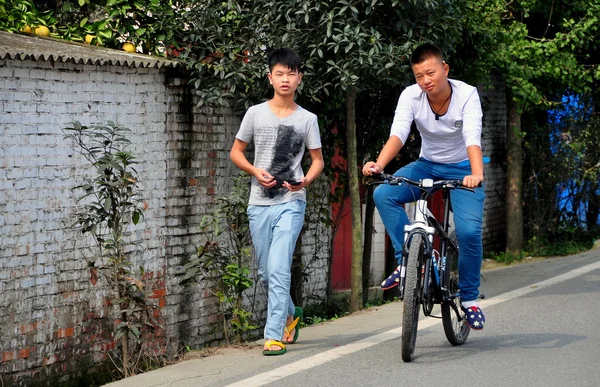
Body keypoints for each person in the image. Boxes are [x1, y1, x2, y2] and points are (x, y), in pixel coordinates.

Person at [362, 43, 487, 330]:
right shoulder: (411, 96)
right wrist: (379, 165)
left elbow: (472, 136)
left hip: (465, 167)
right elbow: (399, 133)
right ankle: (407, 261)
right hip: (427, 164)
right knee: (384, 193)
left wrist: (476, 173)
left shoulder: (467, 94)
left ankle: (469, 299)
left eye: (430, 73)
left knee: (469, 231)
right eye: (419, 76)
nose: (426, 81)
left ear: (445, 69)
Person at [230, 48, 324, 355]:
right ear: (270, 78)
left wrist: (305, 181)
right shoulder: (255, 113)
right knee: (266, 271)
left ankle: (272, 336)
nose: (285, 79)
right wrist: (256, 171)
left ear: (300, 78)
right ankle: (289, 313)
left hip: (291, 201)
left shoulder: (308, 119)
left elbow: (317, 160)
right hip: (259, 202)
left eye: (291, 74)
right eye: (279, 74)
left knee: (280, 267)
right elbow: (236, 152)